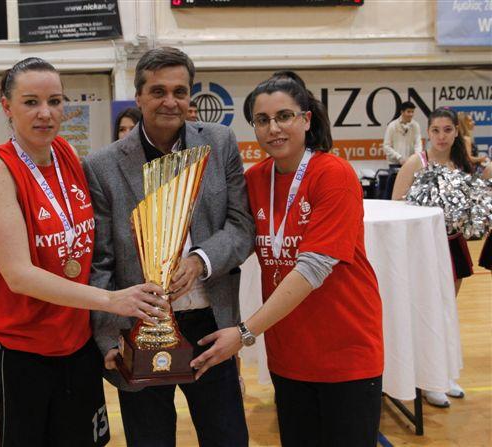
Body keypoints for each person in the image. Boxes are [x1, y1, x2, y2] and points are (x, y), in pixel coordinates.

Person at [0, 57, 167, 447]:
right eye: (31, 102)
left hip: (75, 346)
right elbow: (19, 276)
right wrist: (112, 301)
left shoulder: (67, 155)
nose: (45, 113)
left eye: (54, 101)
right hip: (15, 350)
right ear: (7, 107)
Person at [191, 76, 384, 447]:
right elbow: (236, 240)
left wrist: (244, 333)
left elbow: (313, 268)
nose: (273, 128)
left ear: (306, 119)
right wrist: (195, 261)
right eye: (262, 120)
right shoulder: (255, 179)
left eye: (284, 116)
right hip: (289, 354)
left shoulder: (334, 174)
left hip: (346, 353)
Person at [83, 47, 255, 446]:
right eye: (158, 91)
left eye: (180, 91)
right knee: (150, 440)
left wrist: (199, 260)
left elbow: (242, 226)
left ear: (190, 96)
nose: (170, 101)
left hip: (211, 325)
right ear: (139, 97)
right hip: (138, 328)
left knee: (227, 438)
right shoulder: (103, 165)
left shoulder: (220, 142)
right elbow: (101, 261)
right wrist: (107, 337)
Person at [392, 107, 474, 407]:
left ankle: (444, 374)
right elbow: (396, 204)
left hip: (452, 245)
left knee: (445, 312)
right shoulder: (417, 162)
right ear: (428, 133)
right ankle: (426, 381)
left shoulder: (461, 164)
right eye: (436, 130)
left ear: (456, 132)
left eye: (447, 130)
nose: (441, 136)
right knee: (426, 312)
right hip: (423, 249)